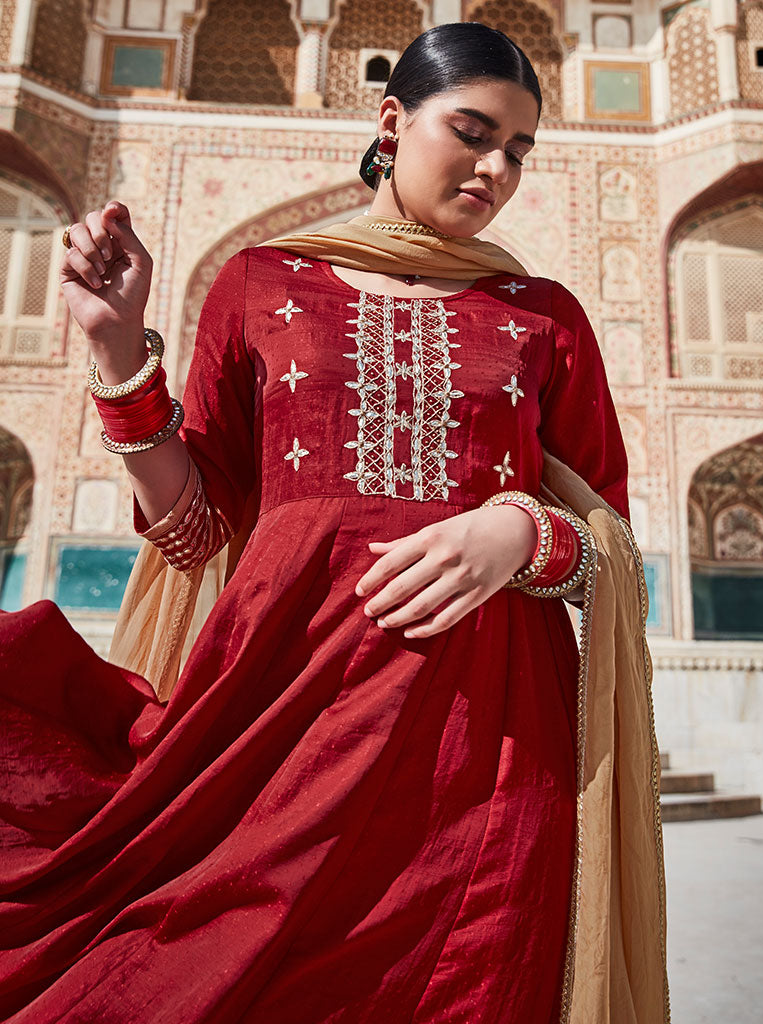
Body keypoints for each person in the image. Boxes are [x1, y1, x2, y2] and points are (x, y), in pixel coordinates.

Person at [0, 23, 669, 1024]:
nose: (495, 168)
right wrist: (119, 348)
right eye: (473, 132)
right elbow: (196, 533)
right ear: (392, 121)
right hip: (276, 719)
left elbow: (608, 545)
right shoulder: (261, 282)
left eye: (519, 150)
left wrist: (521, 534)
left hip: (485, 746)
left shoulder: (546, 315)